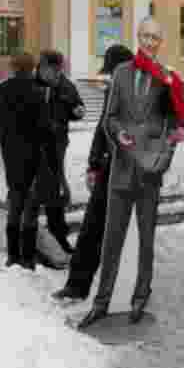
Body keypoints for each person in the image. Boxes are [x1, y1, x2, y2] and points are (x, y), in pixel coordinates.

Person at [78, 18, 184, 330]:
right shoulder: (121, 74)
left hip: (150, 171)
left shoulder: (168, 78)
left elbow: (180, 119)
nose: (150, 42)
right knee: (111, 240)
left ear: (161, 41)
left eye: (155, 37)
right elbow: (109, 118)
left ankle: (140, 297)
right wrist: (118, 135)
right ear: (138, 37)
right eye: (145, 36)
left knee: (146, 240)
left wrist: (176, 139)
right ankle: (101, 302)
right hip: (122, 169)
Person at [53, 43, 135, 301]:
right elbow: (102, 129)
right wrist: (94, 164)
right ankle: (76, 287)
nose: (110, 77)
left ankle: (124, 292)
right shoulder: (114, 90)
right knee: (91, 227)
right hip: (109, 167)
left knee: (126, 234)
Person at [22, 50, 86, 260]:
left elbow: (77, 105)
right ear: (42, 68)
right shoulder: (28, 85)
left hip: (56, 146)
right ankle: (28, 243)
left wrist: (78, 111)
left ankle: (59, 237)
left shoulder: (65, 85)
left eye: (59, 70)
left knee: (55, 194)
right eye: (53, 70)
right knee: (32, 194)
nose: (57, 74)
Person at [0, 52, 53, 269]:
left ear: (13, 67)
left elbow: (3, 128)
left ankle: (12, 256)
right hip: (34, 155)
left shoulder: (4, 90)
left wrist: (6, 154)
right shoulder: (38, 92)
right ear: (32, 68)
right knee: (30, 207)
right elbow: (44, 128)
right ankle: (28, 259)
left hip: (12, 155)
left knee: (15, 204)